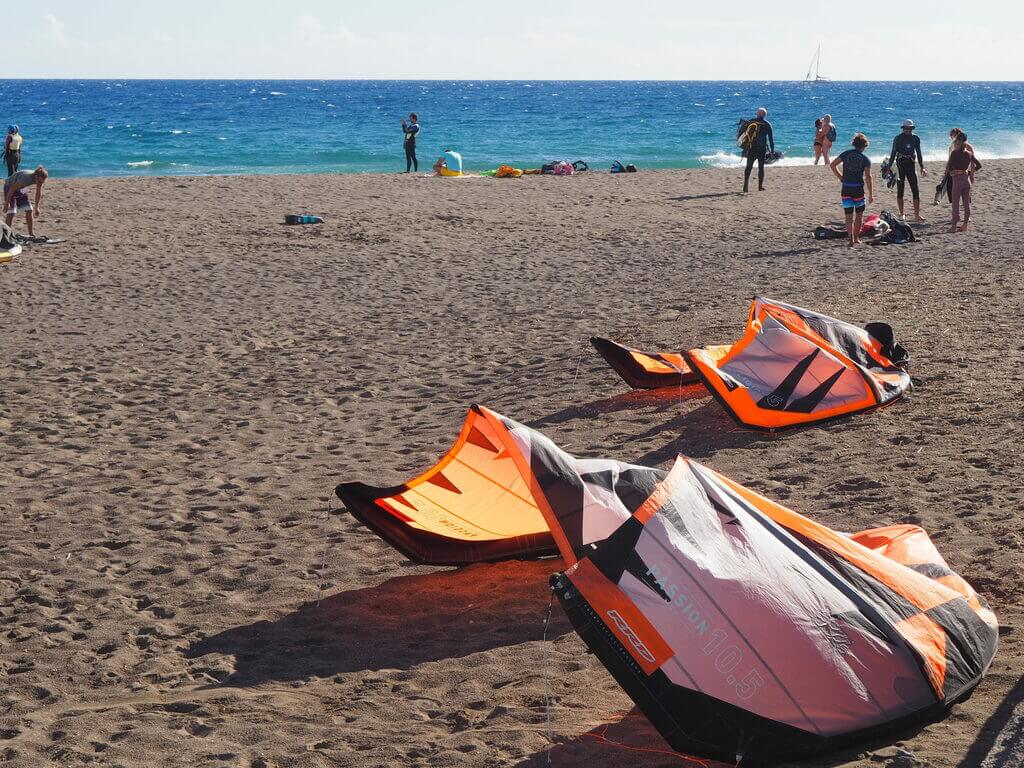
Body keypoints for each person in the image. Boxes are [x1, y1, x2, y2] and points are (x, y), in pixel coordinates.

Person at [830, 133, 874, 246]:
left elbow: (833, 164)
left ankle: (850, 238)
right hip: (858, 189)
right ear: (864, 146)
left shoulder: (846, 154)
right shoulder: (865, 159)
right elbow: (868, 177)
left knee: (848, 216)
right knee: (859, 216)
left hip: (846, 188)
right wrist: (871, 194)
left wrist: (841, 177)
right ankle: (856, 238)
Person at [887, 119, 928, 221]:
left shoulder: (916, 138)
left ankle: (917, 214)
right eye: (906, 128)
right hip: (900, 165)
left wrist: (922, 167)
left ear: (912, 128)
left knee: (915, 190)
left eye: (910, 128)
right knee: (900, 190)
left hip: (911, 166)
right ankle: (902, 214)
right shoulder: (898, 138)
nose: (908, 130)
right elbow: (893, 153)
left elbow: (919, 153)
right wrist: (889, 167)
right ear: (903, 128)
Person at [935, 127, 980, 205]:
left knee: (963, 185)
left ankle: (966, 201)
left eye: (953, 136)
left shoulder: (968, 146)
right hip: (952, 168)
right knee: (946, 183)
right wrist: (947, 169)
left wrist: (972, 173)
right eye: (951, 136)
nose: (952, 138)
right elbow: (950, 159)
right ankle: (938, 198)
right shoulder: (952, 145)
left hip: (963, 169)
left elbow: (973, 162)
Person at [945, 132, 979, 233]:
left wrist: (953, 172)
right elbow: (979, 165)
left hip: (958, 180)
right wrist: (968, 172)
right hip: (966, 179)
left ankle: (954, 226)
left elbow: (949, 167)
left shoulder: (954, 153)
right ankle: (965, 225)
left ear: (960, 141)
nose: (957, 142)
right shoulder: (969, 153)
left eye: (958, 140)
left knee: (955, 204)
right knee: (966, 204)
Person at [4, 165, 47, 237]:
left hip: (21, 188)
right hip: (9, 187)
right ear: (36, 176)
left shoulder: (40, 179)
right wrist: (6, 203)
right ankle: (7, 235)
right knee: (11, 212)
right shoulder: (25, 178)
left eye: (42, 182)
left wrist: (37, 207)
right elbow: (12, 189)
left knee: (29, 209)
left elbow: (38, 193)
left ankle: (31, 233)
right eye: (39, 181)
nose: (40, 183)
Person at [742, 107, 774, 192]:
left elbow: (744, 135)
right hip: (761, 149)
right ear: (765, 115)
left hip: (751, 148)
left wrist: (744, 147)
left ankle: (745, 185)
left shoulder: (751, 121)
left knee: (748, 167)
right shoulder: (767, 124)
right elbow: (771, 140)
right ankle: (760, 187)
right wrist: (772, 151)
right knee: (761, 167)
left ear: (757, 113)